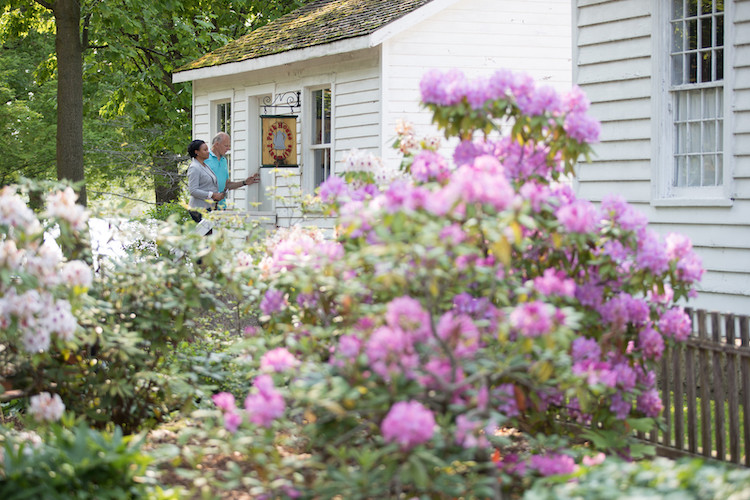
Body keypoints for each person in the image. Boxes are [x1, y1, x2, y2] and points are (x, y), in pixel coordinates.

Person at [206, 132, 259, 209]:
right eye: (226, 146)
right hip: (205, 207)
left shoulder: (224, 160)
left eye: (229, 146)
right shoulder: (205, 158)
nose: (228, 148)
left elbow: (226, 185)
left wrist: (244, 182)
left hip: (221, 207)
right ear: (216, 144)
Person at [187, 139, 224, 234]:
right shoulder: (194, 167)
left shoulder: (204, 165)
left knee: (212, 236)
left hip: (208, 207)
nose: (208, 152)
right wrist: (212, 195)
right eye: (205, 150)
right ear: (197, 152)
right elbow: (193, 190)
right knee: (206, 236)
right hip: (198, 208)